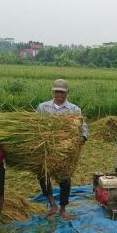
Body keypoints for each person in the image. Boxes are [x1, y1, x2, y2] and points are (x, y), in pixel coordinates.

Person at [36, 79, 88, 218]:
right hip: (47, 149)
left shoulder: (74, 109)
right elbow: (36, 126)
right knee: (43, 175)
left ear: (67, 93)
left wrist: (82, 139)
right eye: (57, 91)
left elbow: (83, 127)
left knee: (65, 178)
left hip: (66, 150)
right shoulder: (43, 107)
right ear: (53, 91)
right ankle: (52, 204)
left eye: (62, 92)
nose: (59, 95)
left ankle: (63, 208)